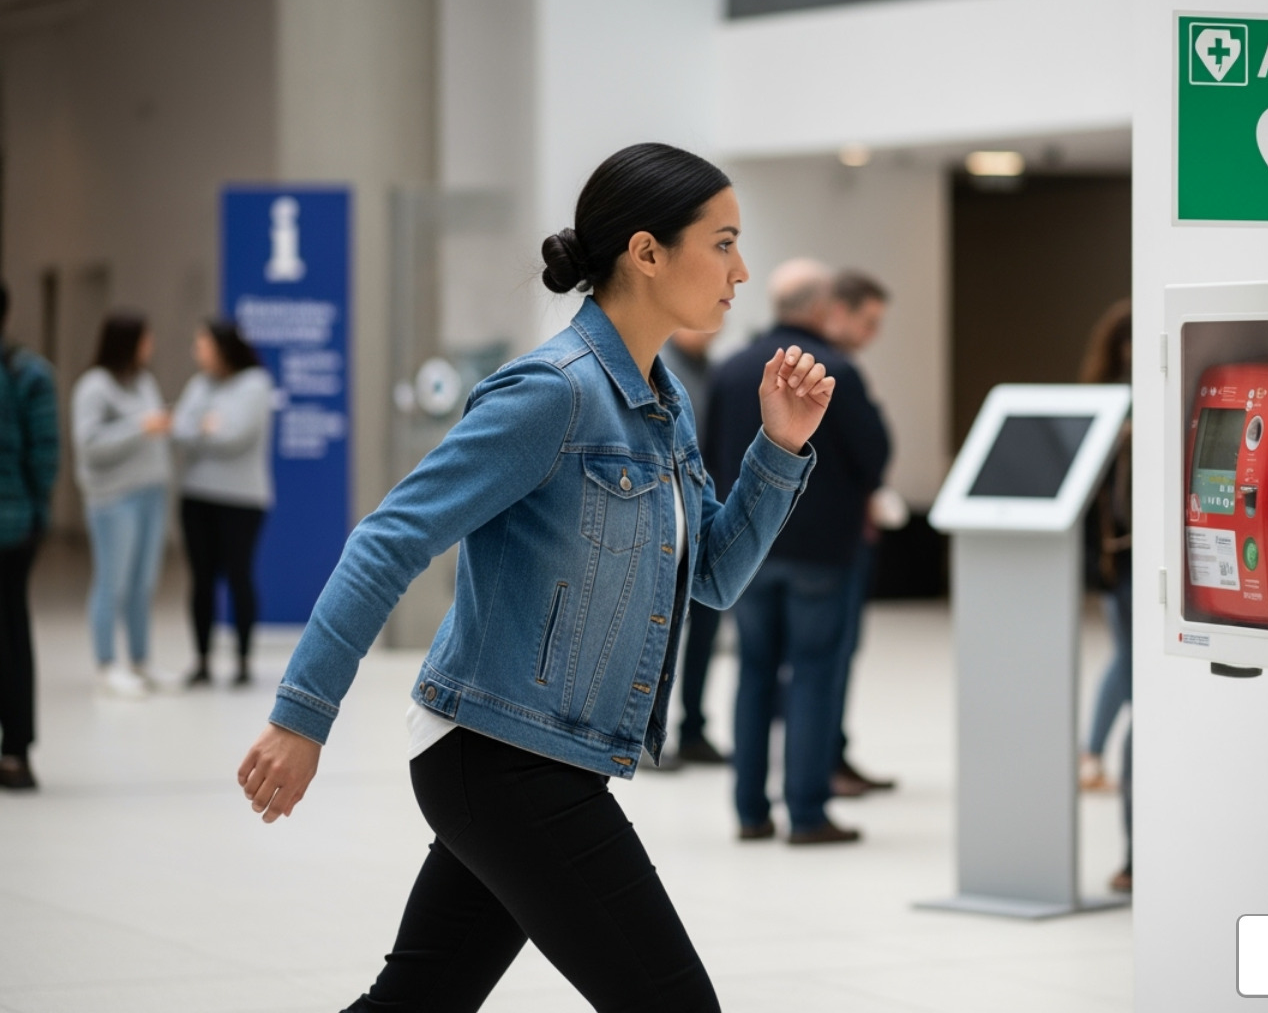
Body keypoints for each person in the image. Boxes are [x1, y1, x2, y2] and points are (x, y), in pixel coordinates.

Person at [236, 142, 836, 1013]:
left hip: (534, 758)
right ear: (646, 252)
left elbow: (712, 574)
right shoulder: (550, 393)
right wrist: (302, 716)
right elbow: (388, 539)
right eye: (724, 242)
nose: (742, 270)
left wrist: (778, 448)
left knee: (416, 1001)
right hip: (503, 758)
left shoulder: (664, 406)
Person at [707, 258, 891, 845]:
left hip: (748, 548)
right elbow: (874, 455)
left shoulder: (732, 369)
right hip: (822, 551)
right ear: (820, 309)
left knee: (754, 672)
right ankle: (808, 813)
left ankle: (750, 810)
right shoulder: (836, 370)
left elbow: (709, 455)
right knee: (814, 674)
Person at [820, 269, 897, 798]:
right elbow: (874, 453)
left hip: (776, 546)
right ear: (838, 311)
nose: (873, 334)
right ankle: (821, 773)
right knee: (826, 661)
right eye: (868, 321)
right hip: (832, 544)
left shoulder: (746, 364)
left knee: (767, 672)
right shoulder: (839, 373)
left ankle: (817, 766)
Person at [71, 311, 172, 699]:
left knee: (143, 583)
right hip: (114, 498)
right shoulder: (93, 387)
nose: (151, 346)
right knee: (112, 581)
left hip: (151, 493)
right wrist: (140, 427)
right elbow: (90, 445)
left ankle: (141, 660)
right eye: (146, 338)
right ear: (127, 342)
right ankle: (106, 663)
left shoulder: (143, 380)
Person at [172, 318, 274, 687]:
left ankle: (243, 660)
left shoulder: (256, 384)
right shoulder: (199, 385)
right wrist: (204, 426)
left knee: (238, 577)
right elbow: (177, 430)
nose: (197, 353)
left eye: (202, 345)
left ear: (222, 348)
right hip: (197, 497)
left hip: (243, 501)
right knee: (200, 580)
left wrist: (200, 427)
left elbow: (235, 436)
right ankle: (201, 660)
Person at [1076, 298, 1133, 892]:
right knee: (1129, 665)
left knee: (1126, 663)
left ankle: (1089, 753)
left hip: (1125, 560)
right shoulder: (1106, 409)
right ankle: (1090, 753)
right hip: (1122, 561)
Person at [0, 284, 60, 790]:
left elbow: (42, 456)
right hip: (16, 521)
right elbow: (44, 457)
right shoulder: (30, 374)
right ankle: (15, 752)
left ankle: (15, 750)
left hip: (10, 526)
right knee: (13, 636)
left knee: (11, 634)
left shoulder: (23, 374)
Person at [660, 328, 729, 765]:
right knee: (659, 630)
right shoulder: (659, 368)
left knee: (705, 628)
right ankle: (651, 736)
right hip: (664, 514)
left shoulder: (714, 370)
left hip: (701, 508)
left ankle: (693, 730)